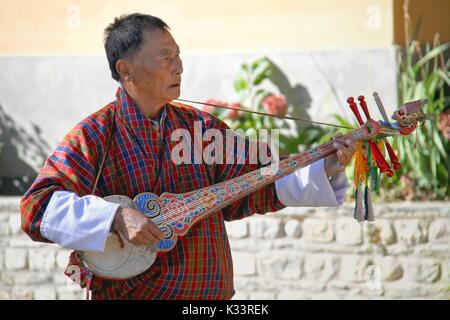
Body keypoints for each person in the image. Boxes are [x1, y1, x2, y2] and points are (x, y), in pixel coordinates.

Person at [20, 13, 356, 300]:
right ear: (126, 71)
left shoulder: (200, 127)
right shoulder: (94, 136)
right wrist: (114, 217)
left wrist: (325, 165)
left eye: (178, 56)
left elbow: (256, 182)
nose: (179, 67)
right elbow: (37, 207)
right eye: (166, 57)